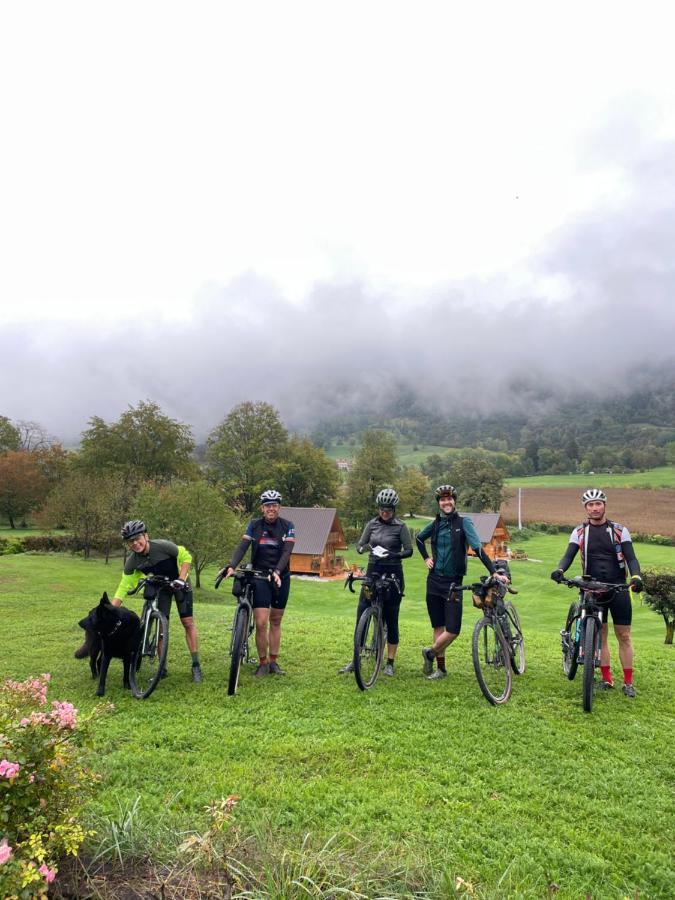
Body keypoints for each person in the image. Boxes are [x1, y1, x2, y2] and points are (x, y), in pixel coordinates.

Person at [550, 488, 643, 697]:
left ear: (604, 505)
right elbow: (568, 556)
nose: (594, 508)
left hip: (618, 587)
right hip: (592, 589)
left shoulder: (619, 530)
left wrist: (636, 576)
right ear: (586, 508)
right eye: (590, 505)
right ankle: (607, 679)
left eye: (598, 504)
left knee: (624, 635)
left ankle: (628, 682)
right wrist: (559, 570)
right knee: (600, 635)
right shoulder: (579, 532)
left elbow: (631, 558)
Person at [416, 485, 507, 680]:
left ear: (454, 501)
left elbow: (478, 549)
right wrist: (425, 558)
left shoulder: (464, 523)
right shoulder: (435, 524)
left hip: (453, 583)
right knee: (438, 627)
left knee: (453, 630)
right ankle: (440, 669)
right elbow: (418, 538)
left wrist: (494, 572)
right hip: (433, 581)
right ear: (439, 503)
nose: (446, 502)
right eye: (442, 500)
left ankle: (429, 653)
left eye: (449, 499)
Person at [113, 520, 202, 682]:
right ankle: (162, 669)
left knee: (188, 622)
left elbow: (185, 556)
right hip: (162, 588)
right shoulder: (133, 561)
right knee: (162, 627)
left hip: (180, 584)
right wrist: (111, 610)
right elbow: (123, 587)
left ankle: (196, 665)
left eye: (137, 538)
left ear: (146, 536)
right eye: (130, 541)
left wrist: (181, 579)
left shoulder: (162, 546)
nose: (135, 543)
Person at [218, 490, 295, 676]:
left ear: (279, 507)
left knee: (275, 620)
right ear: (262, 508)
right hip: (260, 578)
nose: (271, 508)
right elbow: (243, 546)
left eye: (274, 505)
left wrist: (277, 571)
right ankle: (263, 662)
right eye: (268, 505)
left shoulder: (288, 526)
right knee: (261, 623)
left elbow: (287, 551)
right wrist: (232, 565)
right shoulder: (254, 525)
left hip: (280, 577)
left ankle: (273, 662)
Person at [339, 488, 413, 677]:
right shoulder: (371, 524)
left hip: (393, 572)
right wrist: (364, 548)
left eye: (388, 509)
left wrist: (394, 554)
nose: (384, 512)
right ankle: (356, 659)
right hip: (373, 569)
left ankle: (390, 662)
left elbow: (409, 550)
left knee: (391, 616)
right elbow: (360, 545)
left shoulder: (400, 526)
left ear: (394, 509)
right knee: (362, 611)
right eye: (381, 509)